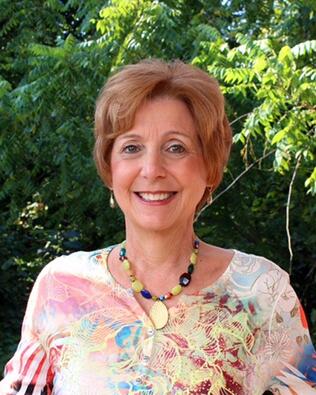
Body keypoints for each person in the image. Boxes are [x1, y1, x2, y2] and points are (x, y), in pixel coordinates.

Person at [1, 59, 315, 395]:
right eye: (131, 148)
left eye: (175, 147)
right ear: (109, 167)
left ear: (209, 166)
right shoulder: (61, 287)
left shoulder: (262, 292)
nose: (151, 169)